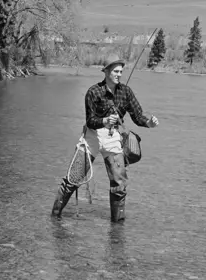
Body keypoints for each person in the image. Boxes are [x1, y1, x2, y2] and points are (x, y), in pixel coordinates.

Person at [51, 56, 159, 222]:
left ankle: (117, 224)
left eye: (121, 72)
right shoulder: (93, 92)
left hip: (113, 138)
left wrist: (149, 123)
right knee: (73, 179)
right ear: (106, 72)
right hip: (92, 137)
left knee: (119, 183)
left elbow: (138, 116)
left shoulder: (126, 92)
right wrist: (105, 121)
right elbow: (90, 121)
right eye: (116, 71)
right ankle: (54, 216)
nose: (119, 74)